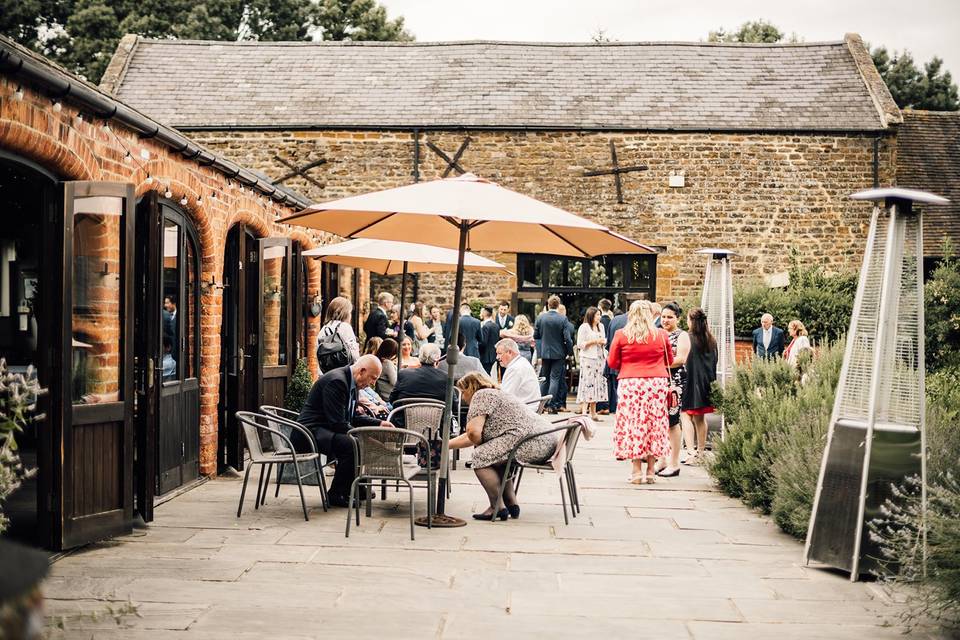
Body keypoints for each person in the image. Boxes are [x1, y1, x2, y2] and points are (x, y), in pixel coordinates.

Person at [448, 372, 560, 521]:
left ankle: (497, 507)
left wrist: (479, 444)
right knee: (495, 455)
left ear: (471, 388)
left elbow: (473, 433)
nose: (462, 397)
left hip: (532, 442)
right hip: (544, 441)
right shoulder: (495, 394)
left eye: (463, 392)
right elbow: (471, 436)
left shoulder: (481, 395)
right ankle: (511, 503)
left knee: (480, 455)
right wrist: (446, 445)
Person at [291, 355, 392, 507]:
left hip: (324, 430)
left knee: (357, 442)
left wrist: (379, 423)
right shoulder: (337, 381)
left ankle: (357, 487)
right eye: (373, 378)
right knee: (352, 445)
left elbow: (353, 416)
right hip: (308, 433)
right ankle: (336, 494)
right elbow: (338, 423)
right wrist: (365, 438)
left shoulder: (352, 382)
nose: (373, 383)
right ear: (362, 371)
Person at [606, 300, 673, 484]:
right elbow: (669, 359)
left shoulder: (621, 335)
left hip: (631, 383)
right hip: (656, 383)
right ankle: (651, 471)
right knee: (654, 424)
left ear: (631, 314)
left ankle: (636, 471)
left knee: (634, 424)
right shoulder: (661, 335)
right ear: (651, 315)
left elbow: (612, 362)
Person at [656, 302, 691, 478]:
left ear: (678, 318)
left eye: (670, 317)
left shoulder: (682, 335)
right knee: (660, 422)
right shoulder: (657, 333)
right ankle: (662, 459)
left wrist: (658, 363)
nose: (665, 320)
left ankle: (674, 462)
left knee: (672, 421)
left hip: (675, 383)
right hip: (658, 380)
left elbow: (681, 359)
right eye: (663, 317)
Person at [682, 307, 719, 465]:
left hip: (690, 381)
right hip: (706, 382)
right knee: (700, 418)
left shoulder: (687, 338)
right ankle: (701, 452)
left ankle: (691, 452)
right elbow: (715, 361)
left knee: (685, 415)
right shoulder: (711, 339)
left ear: (692, 321)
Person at [534, 295, 572, 414]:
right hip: (559, 353)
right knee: (554, 378)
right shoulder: (562, 319)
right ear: (558, 305)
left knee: (545, 379)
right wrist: (569, 352)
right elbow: (567, 338)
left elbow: (536, 337)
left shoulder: (541, 318)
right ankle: (551, 406)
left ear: (548, 304)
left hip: (545, 352)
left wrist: (540, 352)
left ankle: (541, 406)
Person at [576, 306, 608, 420]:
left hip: (599, 358)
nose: (599, 317)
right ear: (591, 316)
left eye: (600, 315)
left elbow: (604, 340)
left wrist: (603, 342)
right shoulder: (584, 327)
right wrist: (594, 341)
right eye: (597, 315)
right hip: (588, 358)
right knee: (587, 383)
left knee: (597, 383)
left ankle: (594, 413)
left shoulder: (601, 326)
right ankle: (584, 411)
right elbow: (580, 344)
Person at [316, 296, 360, 372]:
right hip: (344, 371)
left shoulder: (324, 329)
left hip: (326, 372)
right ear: (345, 313)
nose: (350, 315)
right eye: (350, 312)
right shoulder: (345, 327)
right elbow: (354, 355)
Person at [496, 338, 541, 405]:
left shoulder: (514, 369)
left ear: (510, 352)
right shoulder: (521, 361)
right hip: (528, 405)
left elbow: (505, 396)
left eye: (499, 353)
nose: (497, 357)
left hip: (524, 407)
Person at [604, 303, 628, 414]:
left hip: (614, 359)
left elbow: (608, 343)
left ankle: (614, 407)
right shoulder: (636, 322)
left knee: (614, 386)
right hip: (628, 363)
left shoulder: (614, 320)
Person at [556, 304, 576, 411]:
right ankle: (562, 404)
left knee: (553, 380)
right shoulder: (570, 326)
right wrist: (570, 353)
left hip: (550, 355)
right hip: (562, 355)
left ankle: (552, 403)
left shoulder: (550, 321)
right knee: (561, 380)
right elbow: (570, 341)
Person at [596, 298, 614, 415]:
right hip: (610, 352)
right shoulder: (612, 321)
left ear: (600, 307)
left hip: (601, 353)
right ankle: (608, 404)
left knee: (601, 379)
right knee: (607, 380)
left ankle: (601, 405)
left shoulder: (599, 322)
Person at [479, 305, 500, 376]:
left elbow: (483, 342)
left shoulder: (486, 326)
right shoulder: (496, 325)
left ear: (484, 313)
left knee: (485, 375)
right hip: (493, 355)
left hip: (485, 356)